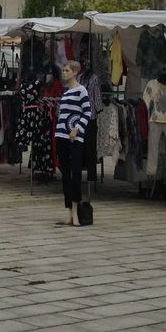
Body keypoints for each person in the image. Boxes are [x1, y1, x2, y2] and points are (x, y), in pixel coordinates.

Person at [55, 60, 93, 227]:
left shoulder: (81, 90)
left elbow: (87, 112)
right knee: (65, 174)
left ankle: (76, 212)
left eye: (67, 70)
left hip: (74, 137)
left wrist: (77, 129)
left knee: (76, 172)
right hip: (61, 135)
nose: (64, 72)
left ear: (75, 72)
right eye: (63, 70)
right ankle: (69, 212)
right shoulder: (65, 93)